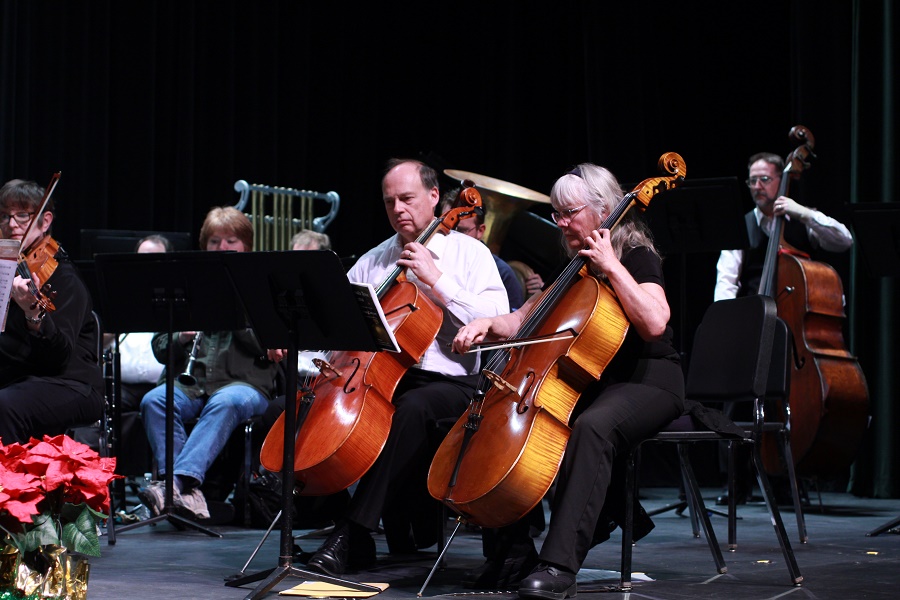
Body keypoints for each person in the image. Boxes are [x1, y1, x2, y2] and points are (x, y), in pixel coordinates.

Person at [453, 163, 684, 600]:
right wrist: (487, 324)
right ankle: (512, 551)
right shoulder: (573, 268)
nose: (560, 222)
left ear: (603, 209)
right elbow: (523, 319)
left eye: (569, 213)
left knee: (593, 427)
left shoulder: (636, 255)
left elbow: (656, 322)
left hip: (650, 380)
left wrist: (611, 265)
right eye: (556, 213)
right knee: (506, 427)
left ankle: (558, 565)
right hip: (596, 384)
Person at [303, 158, 509, 576]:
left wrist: (437, 280)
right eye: (389, 201)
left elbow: (497, 320)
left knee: (410, 410)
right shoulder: (374, 259)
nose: (398, 209)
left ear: (433, 197)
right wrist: (304, 357)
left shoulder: (470, 253)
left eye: (407, 199)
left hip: (452, 382)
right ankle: (336, 520)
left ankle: (353, 533)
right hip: (379, 377)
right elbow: (340, 331)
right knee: (296, 411)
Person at [713, 151, 853, 505]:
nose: (758, 186)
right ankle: (736, 483)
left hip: (794, 335)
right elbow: (726, 282)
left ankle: (790, 480)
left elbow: (844, 240)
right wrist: (729, 324)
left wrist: (802, 212)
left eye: (765, 179)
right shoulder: (741, 225)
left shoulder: (801, 221)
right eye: (752, 180)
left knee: (794, 402)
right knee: (737, 401)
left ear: (781, 180)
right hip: (753, 323)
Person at [138, 207, 281, 520]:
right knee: (155, 400)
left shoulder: (262, 285)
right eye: (215, 241)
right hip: (193, 385)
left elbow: (270, 345)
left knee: (225, 402)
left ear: (246, 246)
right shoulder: (188, 285)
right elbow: (159, 347)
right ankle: (187, 495)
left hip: (245, 385)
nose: (222, 247)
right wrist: (181, 336)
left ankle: (174, 485)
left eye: (231, 241)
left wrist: (233, 310)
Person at [0, 178, 105, 444]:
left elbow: (57, 358)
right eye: (4, 216)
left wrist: (33, 313)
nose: (11, 224)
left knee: (5, 404)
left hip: (72, 384)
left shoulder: (65, 279)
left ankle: (12, 472)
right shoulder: (7, 270)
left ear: (45, 221)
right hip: (21, 377)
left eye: (22, 215)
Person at [440, 188, 527, 310]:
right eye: (444, 226)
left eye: (460, 230)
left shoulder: (503, 273)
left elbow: (510, 319)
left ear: (480, 231)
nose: (450, 235)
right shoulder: (430, 252)